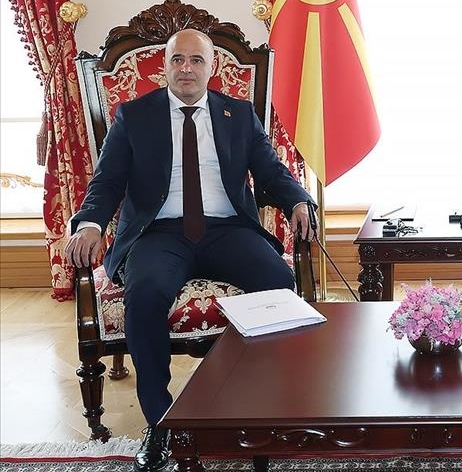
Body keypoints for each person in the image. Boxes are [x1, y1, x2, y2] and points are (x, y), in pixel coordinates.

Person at [65, 29, 315, 472]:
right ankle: (160, 423)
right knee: (145, 293)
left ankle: (259, 405)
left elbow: (271, 171)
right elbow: (107, 181)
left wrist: (297, 200)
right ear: (163, 66)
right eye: (177, 60)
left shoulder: (238, 114)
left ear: (211, 67)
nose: (186, 68)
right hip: (158, 233)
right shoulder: (133, 116)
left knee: (278, 279)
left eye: (196, 60)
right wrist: (89, 224)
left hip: (227, 228)